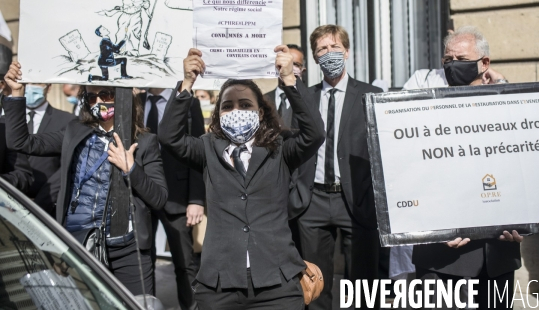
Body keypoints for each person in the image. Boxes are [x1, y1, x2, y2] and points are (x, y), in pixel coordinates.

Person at [158, 46, 324, 309]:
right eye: (228, 106)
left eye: (245, 105)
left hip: (277, 283)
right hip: (220, 285)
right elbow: (169, 137)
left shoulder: (280, 148)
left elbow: (314, 134)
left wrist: (290, 81)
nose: (236, 110)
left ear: (259, 112)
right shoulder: (207, 148)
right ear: (218, 114)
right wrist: (187, 82)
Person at [3, 61, 167, 296]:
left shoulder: (145, 142)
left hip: (128, 250)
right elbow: (21, 142)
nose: (99, 101)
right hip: (80, 244)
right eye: (91, 97)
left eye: (106, 94)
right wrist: (16, 95)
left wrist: (131, 168)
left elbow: (159, 198)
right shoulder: (74, 131)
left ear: (121, 96)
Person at [411, 26, 522, 309]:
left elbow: (523, 172)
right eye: (447, 60)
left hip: (497, 256)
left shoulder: (510, 110)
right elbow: (410, 178)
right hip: (441, 261)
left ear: (484, 63)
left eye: (460, 59)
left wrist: (527, 223)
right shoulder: (422, 112)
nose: (452, 66)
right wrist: (435, 226)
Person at [290, 25, 382, 310]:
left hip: (355, 200)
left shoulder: (371, 95)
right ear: (314, 59)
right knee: (314, 285)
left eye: (334, 47)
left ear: (347, 52)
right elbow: (295, 146)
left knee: (364, 286)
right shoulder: (304, 97)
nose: (328, 53)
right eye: (321, 49)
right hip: (312, 201)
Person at [140, 87, 205, 310]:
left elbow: (198, 152)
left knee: (185, 263)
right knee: (142, 261)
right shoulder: (134, 99)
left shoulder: (187, 103)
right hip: (141, 193)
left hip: (177, 196)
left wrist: (196, 199)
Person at [21, 83, 75, 212]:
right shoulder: (8, 119)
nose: (31, 87)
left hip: (47, 205)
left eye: (36, 83)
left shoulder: (67, 120)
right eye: (28, 82)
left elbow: (66, 166)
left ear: (49, 87)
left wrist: (41, 201)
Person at [264, 44, 306, 129]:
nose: (289, 67)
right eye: (286, 62)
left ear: (303, 70)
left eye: (296, 64)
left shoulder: (307, 100)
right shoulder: (263, 99)